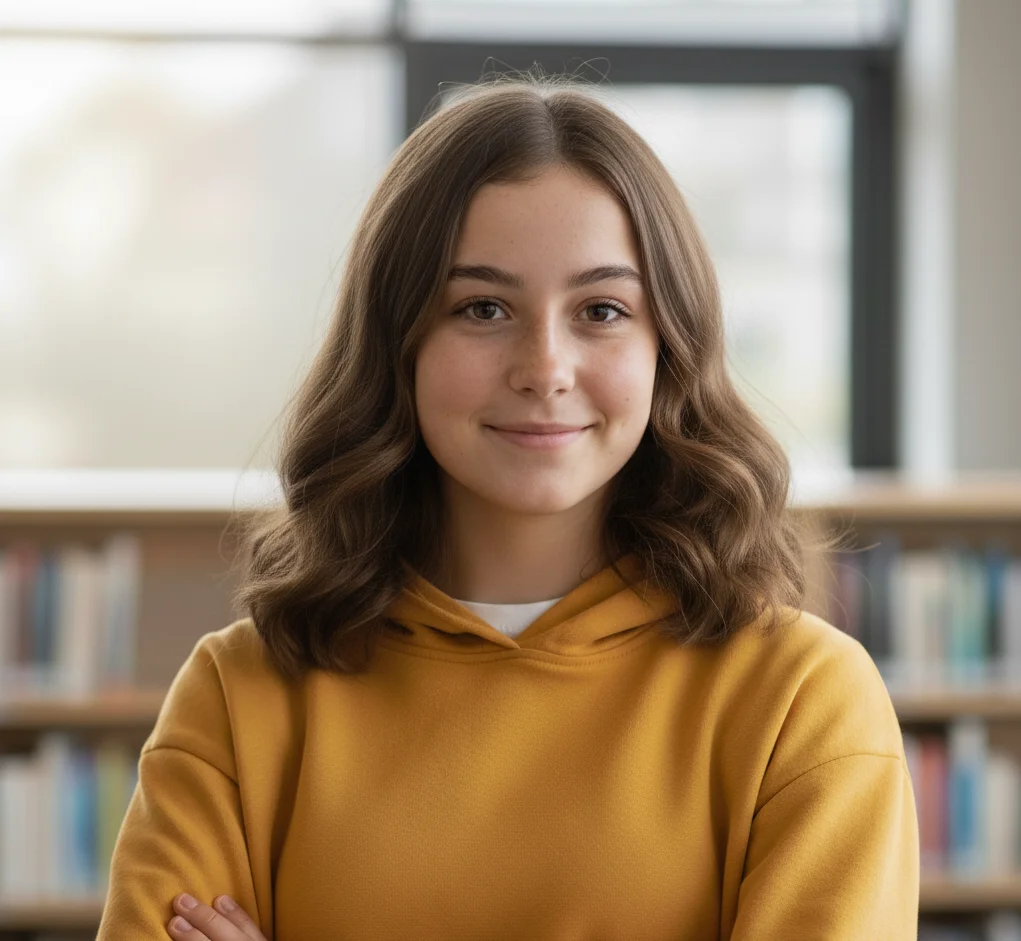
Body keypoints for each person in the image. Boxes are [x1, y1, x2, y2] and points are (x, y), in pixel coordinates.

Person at [96, 70, 919, 940]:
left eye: (601, 309)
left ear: (668, 347)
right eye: (482, 307)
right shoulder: (240, 695)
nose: (544, 367)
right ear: (398, 343)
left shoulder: (801, 700)